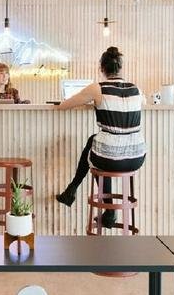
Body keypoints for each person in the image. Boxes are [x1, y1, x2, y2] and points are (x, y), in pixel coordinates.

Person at [54, 47, 147, 228]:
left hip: (111, 158)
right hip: (137, 157)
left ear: (102, 68)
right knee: (96, 143)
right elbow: (145, 102)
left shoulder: (97, 88)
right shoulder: (135, 88)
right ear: (121, 68)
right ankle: (87, 199)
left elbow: (64, 106)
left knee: (97, 147)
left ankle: (80, 193)